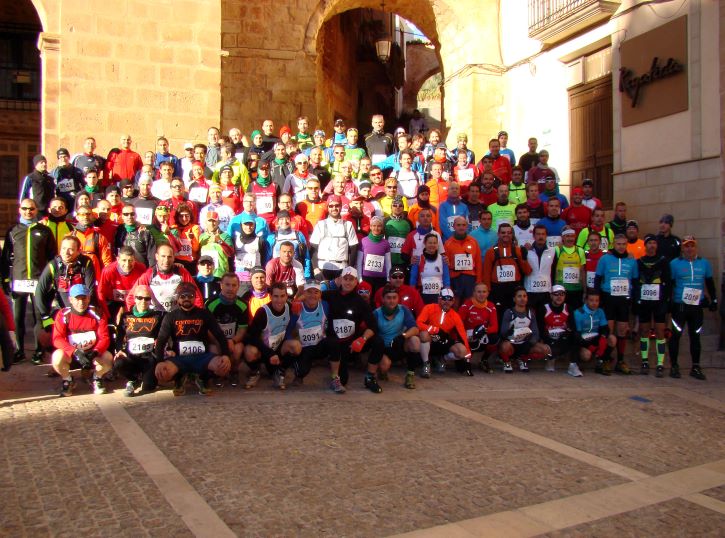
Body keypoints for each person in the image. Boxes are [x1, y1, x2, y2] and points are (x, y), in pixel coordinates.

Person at [154, 282, 231, 395]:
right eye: (183, 296)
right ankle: (179, 378)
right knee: (162, 373)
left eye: (190, 296)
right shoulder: (170, 316)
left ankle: (202, 378)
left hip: (202, 357)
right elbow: (161, 340)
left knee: (223, 367)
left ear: (195, 297)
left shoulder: (204, 314)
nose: (186, 299)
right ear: (178, 299)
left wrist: (226, 355)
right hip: (179, 358)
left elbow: (219, 335)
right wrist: (159, 361)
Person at [323, 267, 386, 392]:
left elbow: (373, 326)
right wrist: (298, 302)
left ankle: (370, 377)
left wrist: (362, 339)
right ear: (340, 280)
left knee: (378, 341)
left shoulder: (360, 302)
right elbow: (311, 294)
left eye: (351, 279)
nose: (348, 282)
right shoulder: (331, 295)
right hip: (335, 343)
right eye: (345, 279)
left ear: (356, 281)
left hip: (353, 343)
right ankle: (335, 375)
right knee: (343, 380)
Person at [669, 235, 717, 381]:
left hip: (696, 306)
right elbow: (670, 284)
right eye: (686, 246)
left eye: (692, 246)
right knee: (675, 336)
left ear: (696, 247)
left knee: (695, 336)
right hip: (680, 306)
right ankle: (674, 366)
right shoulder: (674, 264)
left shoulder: (704, 263)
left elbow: (709, 282)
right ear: (682, 248)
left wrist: (713, 300)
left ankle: (695, 366)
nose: (689, 249)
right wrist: (669, 303)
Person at [52, 284, 112, 396]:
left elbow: (104, 338)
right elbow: (57, 338)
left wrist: (95, 352)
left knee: (108, 358)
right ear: (70, 299)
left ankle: (97, 378)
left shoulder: (98, 313)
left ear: (89, 298)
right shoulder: (63, 315)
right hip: (72, 355)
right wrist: (74, 352)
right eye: (77, 299)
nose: (81, 303)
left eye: (84, 298)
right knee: (57, 357)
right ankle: (68, 380)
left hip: (92, 354)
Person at [594, 235, 638, 375]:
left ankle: (620, 361)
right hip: (608, 298)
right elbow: (597, 279)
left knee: (622, 330)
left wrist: (635, 299)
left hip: (624, 299)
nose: (621, 246)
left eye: (623, 244)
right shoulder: (605, 259)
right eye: (618, 244)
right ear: (614, 244)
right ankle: (605, 360)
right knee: (608, 330)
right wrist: (597, 298)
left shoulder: (632, 261)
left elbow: (635, 281)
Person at [114, 285, 165, 396]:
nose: (143, 301)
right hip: (131, 356)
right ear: (134, 298)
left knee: (148, 387)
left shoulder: (158, 316)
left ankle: (146, 377)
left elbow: (164, 335)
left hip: (149, 357)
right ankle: (133, 379)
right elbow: (119, 336)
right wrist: (118, 350)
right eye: (140, 298)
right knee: (119, 363)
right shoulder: (126, 316)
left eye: (147, 298)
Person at [634, 234, 672, 377]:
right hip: (644, 301)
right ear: (645, 245)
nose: (652, 245)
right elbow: (636, 282)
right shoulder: (639, 262)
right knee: (644, 331)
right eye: (649, 243)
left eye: (654, 243)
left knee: (660, 332)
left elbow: (668, 282)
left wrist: (666, 299)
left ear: (657, 246)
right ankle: (645, 361)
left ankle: (660, 363)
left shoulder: (663, 261)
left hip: (659, 302)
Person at [127, 244, 203, 313]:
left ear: (174, 258)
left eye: (169, 257)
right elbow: (131, 298)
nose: (166, 260)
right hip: (155, 316)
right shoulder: (149, 274)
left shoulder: (182, 272)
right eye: (163, 256)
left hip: (176, 315)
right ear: (157, 257)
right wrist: (136, 315)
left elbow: (196, 296)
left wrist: (196, 316)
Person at [373, 285, 422, 389]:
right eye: (388, 298)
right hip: (385, 348)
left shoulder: (403, 309)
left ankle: (410, 375)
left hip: (400, 344)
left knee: (415, 341)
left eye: (394, 297)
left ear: (398, 298)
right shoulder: (377, 313)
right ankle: (382, 371)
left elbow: (415, 328)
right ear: (383, 299)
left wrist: (403, 336)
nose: (392, 301)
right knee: (384, 366)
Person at [416, 288, 473, 376]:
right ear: (439, 299)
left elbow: (463, 335)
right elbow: (418, 323)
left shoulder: (455, 316)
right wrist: (435, 330)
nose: (447, 302)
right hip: (430, 339)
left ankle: (443, 359)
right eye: (444, 299)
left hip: (444, 341)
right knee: (423, 334)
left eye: (449, 299)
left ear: (453, 301)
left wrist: (468, 357)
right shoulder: (429, 308)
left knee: (462, 351)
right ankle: (426, 364)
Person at [206, 273, 248, 387]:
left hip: (233, 340)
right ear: (221, 286)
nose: (230, 288)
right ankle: (219, 374)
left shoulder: (243, 304)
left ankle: (233, 372)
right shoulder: (210, 304)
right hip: (216, 340)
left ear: (238, 286)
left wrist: (233, 341)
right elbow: (208, 330)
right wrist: (220, 342)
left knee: (238, 350)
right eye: (227, 285)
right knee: (214, 350)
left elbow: (242, 329)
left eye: (234, 285)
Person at [482, 223, 532, 320]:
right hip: (497, 289)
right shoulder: (491, 252)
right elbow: (486, 274)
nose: (506, 235)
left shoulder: (518, 250)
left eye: (509, 233)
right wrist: (487, 291)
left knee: (515, 314)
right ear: (498, 234)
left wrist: (524, 259)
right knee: (498, 314)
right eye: (503, 232)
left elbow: (528, 272)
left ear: (512, 234)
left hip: (514, 288)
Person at [498, 287, 549, 373]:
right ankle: (507, 362)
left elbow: (535, 332)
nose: (522, 298)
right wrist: (512, 333)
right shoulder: (509, 312)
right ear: (514, 299)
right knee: (505, 347)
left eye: (524, 296)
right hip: (511, 343)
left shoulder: (531, 313)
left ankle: (522, 360)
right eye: (519, 296)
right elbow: (503, 332)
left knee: (544, 349)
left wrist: (529, 343)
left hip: (524, 343)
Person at [309, 195, 359, 280]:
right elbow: (313, 247)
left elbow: (353, 248)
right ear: (327, 207)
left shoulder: (348, 225)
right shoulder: (320, 225)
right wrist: (315, 268)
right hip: (323, 267)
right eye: (331, 206)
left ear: (341, 206)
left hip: (342, 268)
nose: (334, 208)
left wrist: (349, 268)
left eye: (337, 205)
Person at [97, 246, 147, 322]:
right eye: (124, 260)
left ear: (135, 260)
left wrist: (126, 308)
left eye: (130, 260)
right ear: (118, 260)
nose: (127, 264)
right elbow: (101, 292)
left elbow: (145, 291)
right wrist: (107, 315)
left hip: (133, 302)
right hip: (113, 302)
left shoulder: (141, 269)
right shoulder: (108, 271)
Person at [573, 290, 616, 376]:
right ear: (586, 301)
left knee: (612, 339)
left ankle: (602, 360)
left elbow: (605, 328)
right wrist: (589, 346)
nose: (594, 303)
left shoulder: (600, 311)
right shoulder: (578, 313)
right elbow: (576, 335)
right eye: (591, 300)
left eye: (597, 301)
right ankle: (579, 363)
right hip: (582, 341)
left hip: (595, 338)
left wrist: (603, 338)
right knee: (586, 355)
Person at [459, 283, 499, 373]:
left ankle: (484, 360)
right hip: (468, 337)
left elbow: (495, 327)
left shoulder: (491, 306)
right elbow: (458, 324)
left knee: (495, 338)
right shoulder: (466, 305)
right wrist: (465, 336)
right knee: (461, 369)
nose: (481, 294)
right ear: (473, 293)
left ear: (488, 293)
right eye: (479, 292)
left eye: (484, 292)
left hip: (482, 335)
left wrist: (482, 331)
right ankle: (465, 360)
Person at [444, 216, 482, 305]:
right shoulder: (448, 244)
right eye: (458, 225)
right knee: (455, 303)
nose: (461, 227)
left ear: (467, 226)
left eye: (463, 225)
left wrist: (479, 280)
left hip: (470, 278)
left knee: (469, 303)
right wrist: (448, 283)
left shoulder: (473, 242)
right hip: (455, 278)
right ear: (453, 226)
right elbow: (446, 265)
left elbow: (478, 262)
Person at [523, 224, 556, 324]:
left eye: (543, 234)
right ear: (534, 236)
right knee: (530, 318)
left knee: (544, 318)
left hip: (545, 291)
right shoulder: (526, 251)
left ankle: (543, 337)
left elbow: (554, 270)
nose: (540, 236)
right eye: (538, 234)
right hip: (530, 290)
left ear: (546, 236)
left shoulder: (553, 251)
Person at [540, 285, 575, 375]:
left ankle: (573, 365)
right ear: (551, 295)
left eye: (562, 294)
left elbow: (572, 326)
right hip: (548, 339)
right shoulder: (544, 308)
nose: (559, 297)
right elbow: (540, 328)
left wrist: (566, 334)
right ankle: (551, 357)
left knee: (575, 336)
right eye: (556, 294)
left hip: (563, 339)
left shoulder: (568, 308)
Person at [553, 227, 586, 312]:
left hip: (576, 290)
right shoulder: (557, 250)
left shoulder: (580, 250)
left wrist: (584, 290)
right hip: (561, 290)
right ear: (563, 238)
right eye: (567, 236)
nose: (570, 239)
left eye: (572, 236)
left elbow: (582, 271)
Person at [356, 216, 392, 294]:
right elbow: (359, 262)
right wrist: (359, 278)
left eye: (379, 226)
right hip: (366, 277)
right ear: (371, 227)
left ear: (382, 227)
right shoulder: (363, 241)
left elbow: (388, 262)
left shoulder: (386, 243)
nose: (376, 228)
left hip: (381, 278)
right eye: (374, 226)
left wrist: (388, 279)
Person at [198, 211, 234, 277]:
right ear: (206, 222)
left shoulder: (225, 236)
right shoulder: (201, 237)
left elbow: (230, 253)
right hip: (205, 274)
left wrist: (219, 241)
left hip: (221, 274)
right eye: (209, 221)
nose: (212, 223)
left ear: (219, 222)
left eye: (214, 221)